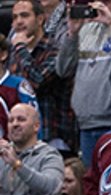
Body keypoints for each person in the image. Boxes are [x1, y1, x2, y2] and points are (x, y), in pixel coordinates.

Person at [57, 0, 111, 161]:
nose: (100, 6)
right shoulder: (86, 30)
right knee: (90, 182)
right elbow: (63, 69)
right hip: (85, 123)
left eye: (107, 2)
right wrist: (72, 34)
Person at [8, 0, 70, 148]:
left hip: (52, 135)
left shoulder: (55, 49)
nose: (19, 22)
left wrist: (20, 48)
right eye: (15, 17)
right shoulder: (14, 51)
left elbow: (36, 82)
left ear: (40, 19)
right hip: (21, 136)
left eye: (24, 15)